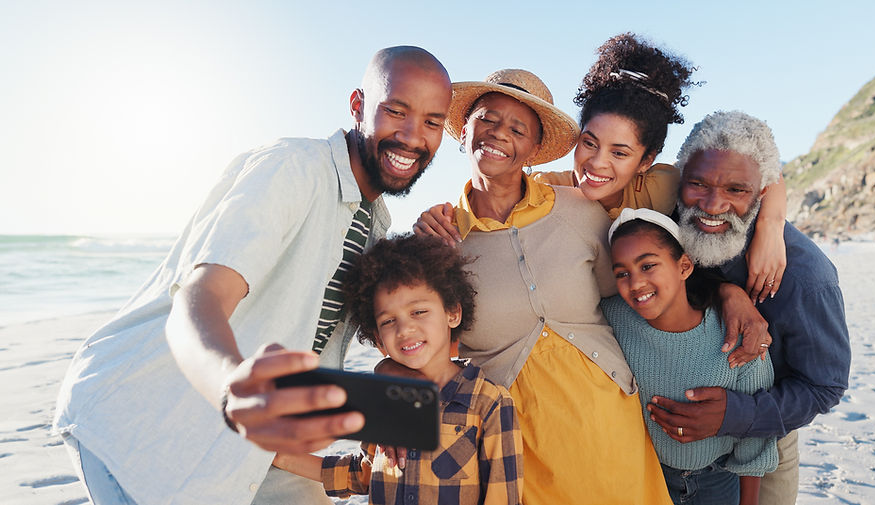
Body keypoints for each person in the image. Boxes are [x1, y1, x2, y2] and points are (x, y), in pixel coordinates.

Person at [53, 46, 453, 505]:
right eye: (396, 111)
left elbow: (360, 337)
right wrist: (230, 389)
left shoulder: (374, 220)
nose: (411, 135)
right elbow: (198, 298)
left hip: (257, 445)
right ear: (359, 106)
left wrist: (390, 412)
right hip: (142, 426)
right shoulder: (292, 170)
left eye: (431, 122)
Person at [414, 34, 780, 367]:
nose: (597, 163)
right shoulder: (551, 195)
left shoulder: (666, 185)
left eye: (620, 153)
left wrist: (771, 226)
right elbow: (493, 203)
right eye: (589, 143)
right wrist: (439, 216)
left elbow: (754, 175)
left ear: (645, 161)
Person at [420, 67, 673, 504]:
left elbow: (633, 292)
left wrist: (731, 294)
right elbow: (419, 347)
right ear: (464, 129)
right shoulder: (439, 242)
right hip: (514, 443)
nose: (500, 134)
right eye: (488, 118)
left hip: (610, 424)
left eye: (518, 128)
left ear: (536, 149)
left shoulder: (582, 212)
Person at [645, 111, 851, 505]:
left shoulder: (806, 278)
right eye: (698, 184)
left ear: (761, 194)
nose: (712, 205)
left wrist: (733, 415)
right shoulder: (668, 229)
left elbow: (824, 385)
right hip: (663, 452)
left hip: (763, 444)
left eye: (736, 191)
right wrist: (726, 290)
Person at [272, 234, 523, 505]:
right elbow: (362, 473)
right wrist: (279, 456)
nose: (405, 330)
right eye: (389, 320)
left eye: (419, 312)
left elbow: (503, 498)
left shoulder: (489, 404)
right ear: (378, 337)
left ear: (452, 313)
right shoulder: (381, 399)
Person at [601, 208, 776, 505]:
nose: (635, 283)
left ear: (684, 266)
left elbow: (756, 438)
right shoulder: (612, 319)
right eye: (622, 273)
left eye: (647, 266)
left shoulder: (738, 336)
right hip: (646, 475)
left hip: (717, 480)